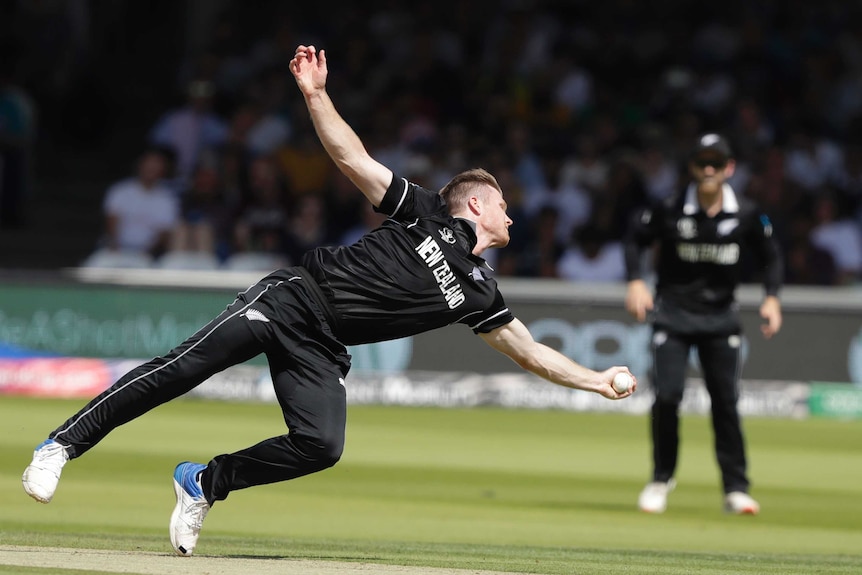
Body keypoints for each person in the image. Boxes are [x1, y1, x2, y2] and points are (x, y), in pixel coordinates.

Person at [22, 45, 637, 557]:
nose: (511, 213)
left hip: (321, 344)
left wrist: (596, 380)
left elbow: (530, 353)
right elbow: (351, 157)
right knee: (181, 369)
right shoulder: (425, 211)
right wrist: (316, 95)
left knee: (322, 445)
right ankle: (61, 446)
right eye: (502, 203)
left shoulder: (480, 290)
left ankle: (204, 482)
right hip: (292, 298)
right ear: (476, 204)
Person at [622, 133, 783, 515]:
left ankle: (735, 489)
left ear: (730, 168)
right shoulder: (669, 207)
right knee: (666, 397)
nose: (708, 170)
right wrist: (635, 282)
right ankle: (661, 479)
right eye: (701, 163)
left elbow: (772, 256)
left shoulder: (747, 212)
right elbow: (635, 239)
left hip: (721, 319)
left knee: (725, 402)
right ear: (692, 167)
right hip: (673, 316)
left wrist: (772, 298)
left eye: (716, 163)